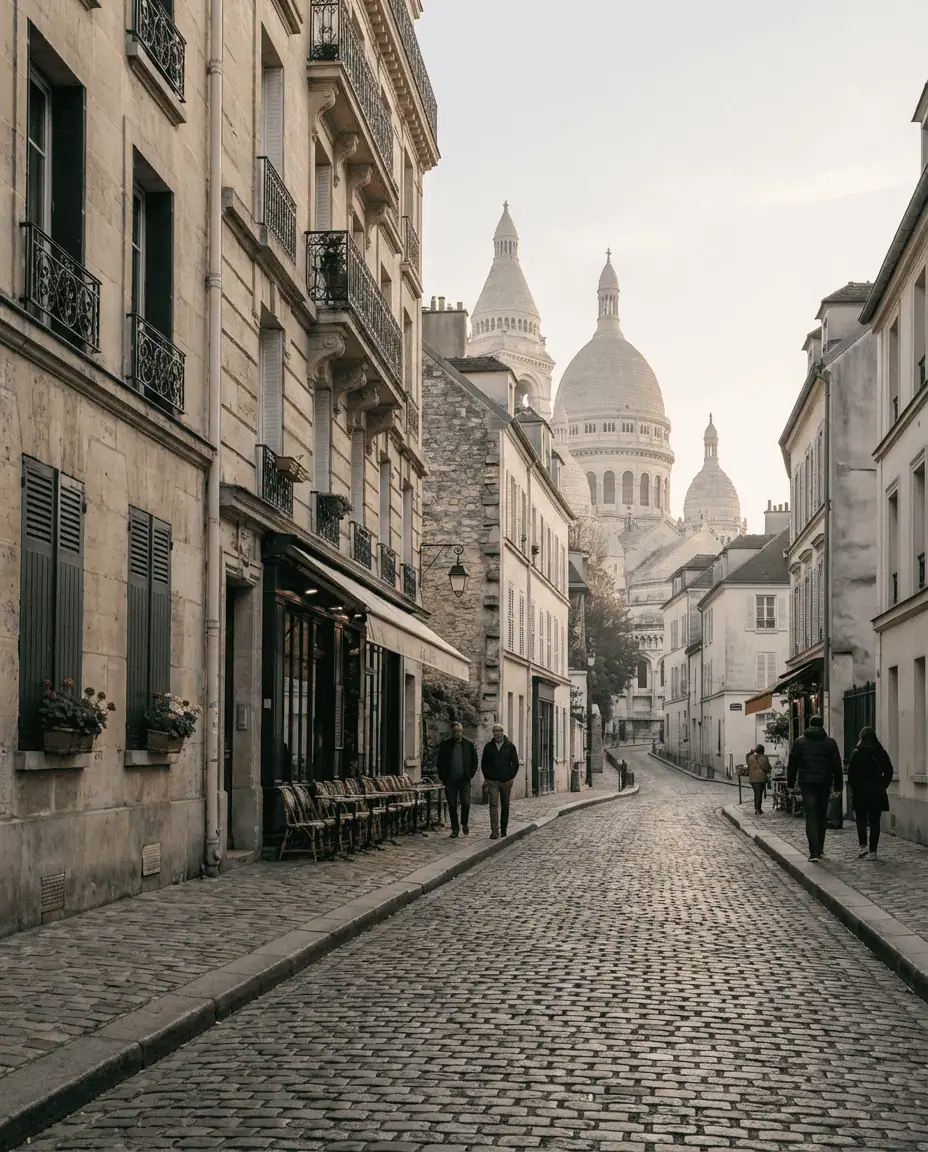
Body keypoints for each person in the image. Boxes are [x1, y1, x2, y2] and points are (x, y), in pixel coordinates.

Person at [786, 715, 843, 862]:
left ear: (809, 725)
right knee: (821, 816)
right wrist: (838, 786)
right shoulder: (830, 743)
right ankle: (821, 848)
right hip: (824, 783)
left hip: (807, 784)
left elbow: (793, 764)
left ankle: (814, 852)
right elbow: (837, 766)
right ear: (822, 725)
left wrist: (790, 784)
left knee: (811, 817)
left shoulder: (800, 742)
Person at [847, 727, 894, 859]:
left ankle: (863, 847)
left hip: (861, 792)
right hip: (876, 792)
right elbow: (889, 771)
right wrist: (883, 784)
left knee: (861, 820)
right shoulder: (880, 752)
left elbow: (851, 775)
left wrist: (855, 788)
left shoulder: (857, 753)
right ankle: (873, 851)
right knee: (875, 822)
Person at [436, 721, 478, 838]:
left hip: (464, 780)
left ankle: (464, 823)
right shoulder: (446, 744)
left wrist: (470, 774)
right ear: (452, 732)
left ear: (462, 731)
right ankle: (455, 829)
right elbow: (440, 762)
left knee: (466, 803)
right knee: (452, 805)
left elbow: (474, 761)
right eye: (455, 732)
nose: (457, 734)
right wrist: (443, 777)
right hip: (450, 780)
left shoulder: (468, 744)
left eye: (459, 731)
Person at [481, 724, 520, 839]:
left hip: (506, 781)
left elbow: (515, 763)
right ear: (493, 733)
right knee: (493, 805)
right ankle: (494, 831)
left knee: (505, 805)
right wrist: (488, 777)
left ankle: (503, 829)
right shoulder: (488, 747)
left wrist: (511, 776)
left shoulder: (510, 746)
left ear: (503, 732)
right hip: (492, 781)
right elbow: (484, 764)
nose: (497, 733)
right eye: (495, 731)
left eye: (499, 731)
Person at [746, 744, 772, 815]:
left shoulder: (751, 757)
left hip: (752, 778)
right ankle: (757, 809)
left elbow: (748, 763)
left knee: (756, 793)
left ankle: (757, 808)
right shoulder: (764, 758)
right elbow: (767, 768)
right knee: (759, 793)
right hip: (760, 779)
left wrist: (752, 752)